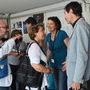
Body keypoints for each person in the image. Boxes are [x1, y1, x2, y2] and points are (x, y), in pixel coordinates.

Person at [64, 1, 90, 90]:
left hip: (78, 79)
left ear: (71, 11)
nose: (65, 17)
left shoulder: (81, 26)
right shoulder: (78, 26)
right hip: (75, 75)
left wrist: (77, 80)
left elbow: (82, 55)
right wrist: (69, 61)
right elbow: (76, 51)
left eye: (65, 13)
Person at [46, 16, 69, 90]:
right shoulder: (48, 36)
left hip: (62, 65)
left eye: (51, 24)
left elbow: (71, 48)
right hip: (53, 65)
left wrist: (68, 60)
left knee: (61, 87)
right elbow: (49, 49)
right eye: (48, 24)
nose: (49, 26)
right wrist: (46, 61)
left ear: (56, 25)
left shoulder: (62, 33)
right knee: (56, 86)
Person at [28, 23, 51, 90]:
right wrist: (47, 70)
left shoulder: (36, 45)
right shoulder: (34, 46)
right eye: (42, 30)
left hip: (38, 81)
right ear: (35, 33)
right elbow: (36, 65)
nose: (44, 32)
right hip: (35, 82)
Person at [0, 19, 22, 90]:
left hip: (4, 75)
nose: (8, 30)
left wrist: (11, 53)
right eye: (5, 27)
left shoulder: (1, 40)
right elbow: (1, 52)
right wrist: (12, 40)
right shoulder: (8, 41)